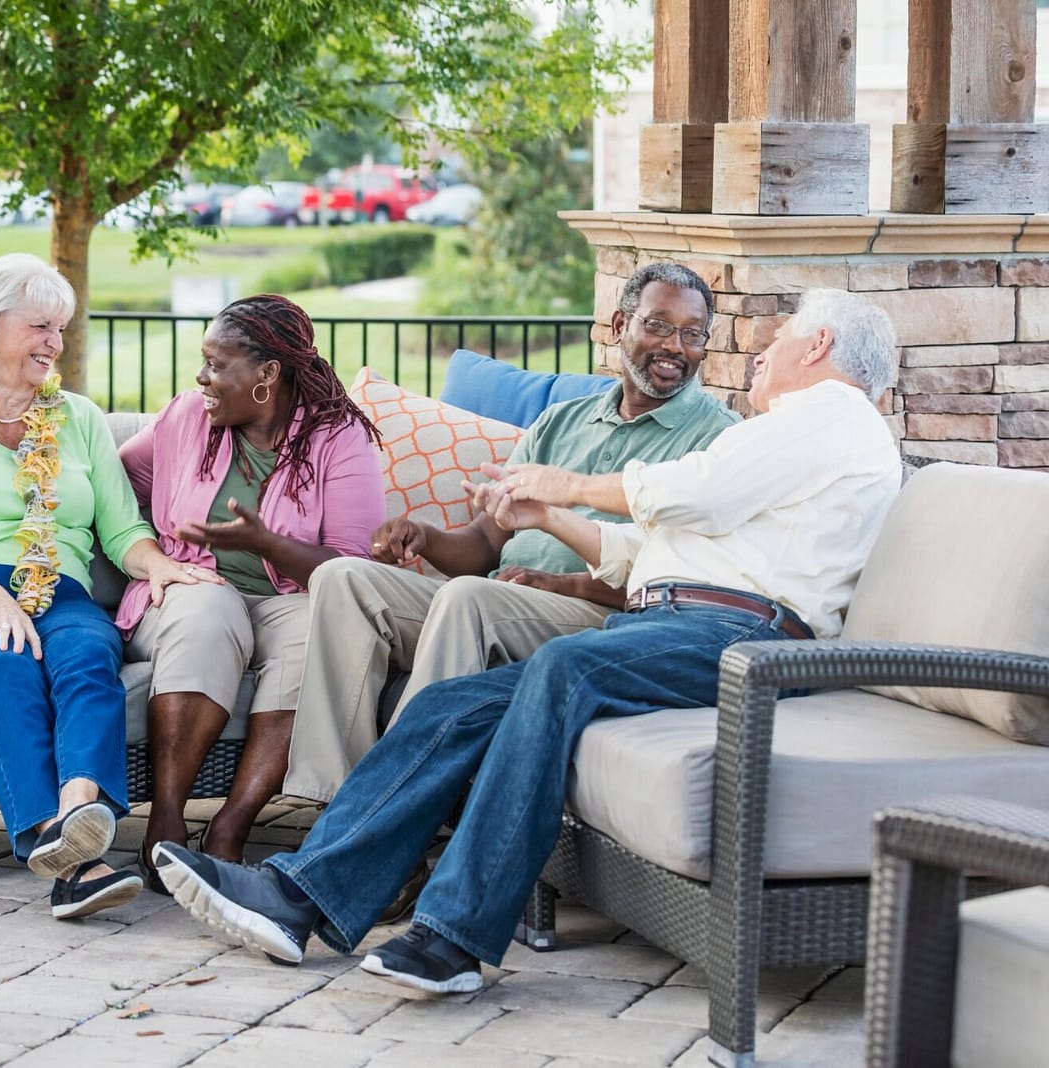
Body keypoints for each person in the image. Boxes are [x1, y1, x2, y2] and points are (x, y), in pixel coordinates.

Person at [153, 288, 902, 994]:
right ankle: (300, 894)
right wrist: (546, 515)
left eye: (777, 339)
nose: (760, 355)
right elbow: (648, 554)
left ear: (821, 343)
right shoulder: (796, 447)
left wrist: (566, 485)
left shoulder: (832, 412)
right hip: (679, 621)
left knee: (563, 669)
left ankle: (454, 939)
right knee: (454, 705)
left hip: (747, 639)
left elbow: (693, 492)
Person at [284, 262, 740, 808]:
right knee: (345, 580)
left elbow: (690, 580)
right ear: (619, 325)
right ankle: (331, 805)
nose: (675, 347)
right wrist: (424, 537)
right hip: (499, 596)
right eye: (659, 326)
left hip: (603, 618)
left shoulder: (719, 441)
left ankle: (396, 810)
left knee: (469, 597)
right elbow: (483, 546)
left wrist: (567, 585)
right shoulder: (561, 423)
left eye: (693, 334)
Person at [0, 253, 220, 919]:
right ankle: (71, 855)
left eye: (62, 329)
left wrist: (157, 564)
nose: (55, 343)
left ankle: (77, 813)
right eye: (41, 325)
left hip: (59, 585)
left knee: (88, 657)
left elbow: (122, 529)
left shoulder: (77, 417)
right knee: (6, 664)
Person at [117, 294, 385, 881]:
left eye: (218, 364)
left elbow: (349, 571)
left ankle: (231, 826)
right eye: (203, 361)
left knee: (322, 629)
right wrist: (150, 549)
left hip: (289, 597)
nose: (202, 376)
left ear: (267, 374)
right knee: (208, 610)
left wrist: (265, 543)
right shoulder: (187, 416)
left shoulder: (337, 439)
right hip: (191, 585)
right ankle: (166, 820)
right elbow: (116, 487)